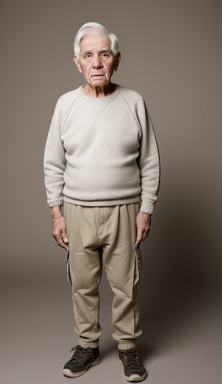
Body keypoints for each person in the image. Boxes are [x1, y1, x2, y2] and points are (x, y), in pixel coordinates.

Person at [43, 22, 160, 382]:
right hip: (77, 211)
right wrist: (57, 212)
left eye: (104, 54)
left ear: (116, 60)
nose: (96, 63)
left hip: (124, 212)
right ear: (77, 62)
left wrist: (146, 209)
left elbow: (150, 161)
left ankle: (127, 347)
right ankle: (88, 346)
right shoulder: (65, 104)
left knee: (126, 283)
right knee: (82, 283)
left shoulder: (134, 102)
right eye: (89, 55)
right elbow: (52, 162)